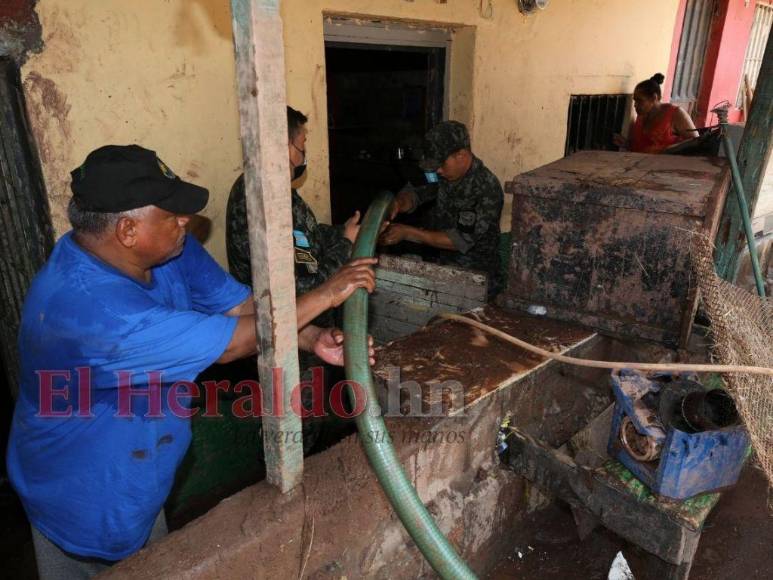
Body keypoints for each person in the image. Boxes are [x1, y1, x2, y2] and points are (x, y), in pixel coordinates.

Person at [6, 145, 373, 579]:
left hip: (140, 475)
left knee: (149, 558)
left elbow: (239, 309)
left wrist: (312, 337)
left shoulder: (166, 252)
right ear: (127, 230)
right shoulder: (92, 312)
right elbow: (235, 343)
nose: (186, 222)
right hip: (81, 494)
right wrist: (328, 293)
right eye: (172, 213)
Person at [226, 106, 371, 329]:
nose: (303, 153)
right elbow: (307, 288)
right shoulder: (269, 201)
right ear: (284, 146)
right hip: (294, 329)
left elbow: (302, 235)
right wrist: (345, 244)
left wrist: (341, 231)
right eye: (301, 144)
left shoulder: (267, 184)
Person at [379, 120, 504, 297]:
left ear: (461, 155)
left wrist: (408, 233)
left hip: (477, 281)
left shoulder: (485, 188)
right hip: (443, 269)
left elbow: (459, 240)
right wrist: (398, 203)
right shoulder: (443, 174)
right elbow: (418, 189)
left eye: (440, 164)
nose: (436, 170)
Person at [614, 73, 699, 154]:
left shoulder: (676, 114)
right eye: (635, 101)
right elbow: (641, 146)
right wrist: (626, 144)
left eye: (640, 101)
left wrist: (663, 151)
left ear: (654, 98)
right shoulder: (641, 116)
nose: (635, 105)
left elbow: (696, 144)